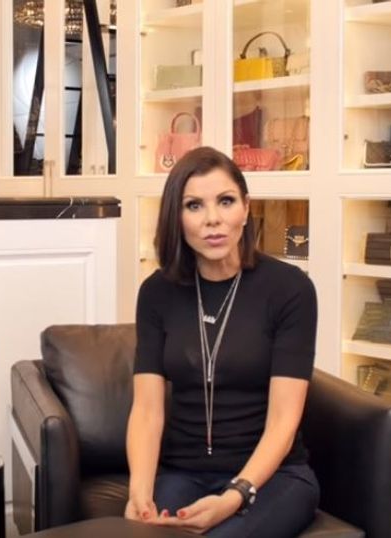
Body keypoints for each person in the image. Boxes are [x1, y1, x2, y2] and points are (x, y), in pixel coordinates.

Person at [125, 146, 319, 537]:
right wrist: (139, 492)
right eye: (194, 205)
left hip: (273, 477)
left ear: (246, 208)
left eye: (226, 201)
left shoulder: (290, 289)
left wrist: (235, 495)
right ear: (176, 217)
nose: (212, 219)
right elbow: (147, 410)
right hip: (184, 472)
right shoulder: (156, 293)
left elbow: (283, 420)